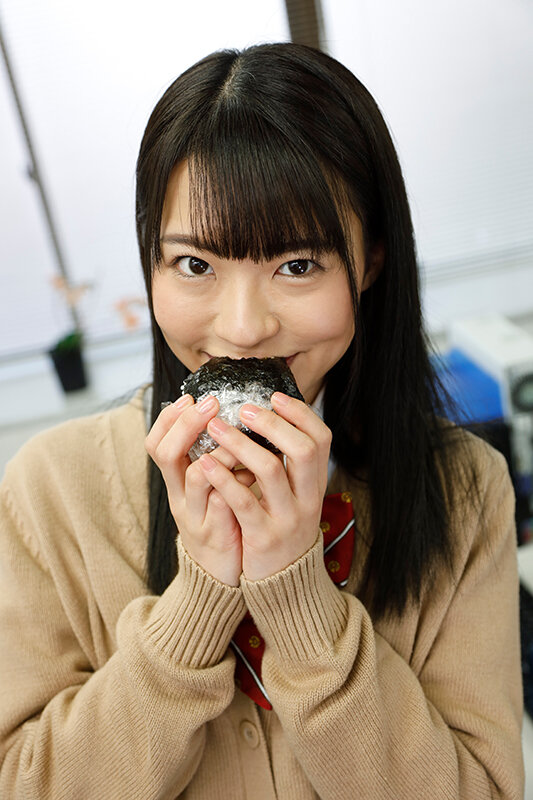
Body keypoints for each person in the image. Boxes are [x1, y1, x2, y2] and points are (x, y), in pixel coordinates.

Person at [0, 42, 524, 799]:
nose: (243, 329)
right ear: (150, 263)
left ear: (371, 262)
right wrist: (198, 599)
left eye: (297, 265)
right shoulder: (49, 489)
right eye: (194, 265)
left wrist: (298, 595)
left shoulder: (465, 490)